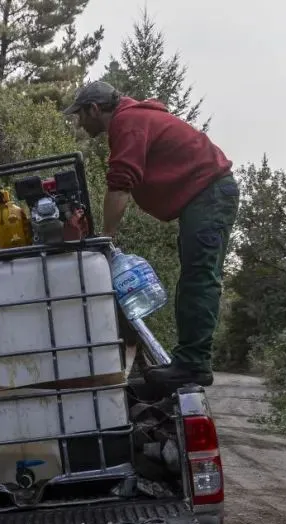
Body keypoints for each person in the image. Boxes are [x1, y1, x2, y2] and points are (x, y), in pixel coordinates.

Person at [62, 80, 239, 390]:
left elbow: (120, 184)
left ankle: (194, 365)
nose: (78, 122)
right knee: (193, 277)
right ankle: (189, 361)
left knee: (200, 277)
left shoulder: (128, 122)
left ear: (94, 108)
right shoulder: (134, 119)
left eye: (80, 114)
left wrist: (105, 238)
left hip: (210, 194)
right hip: (205, 195)